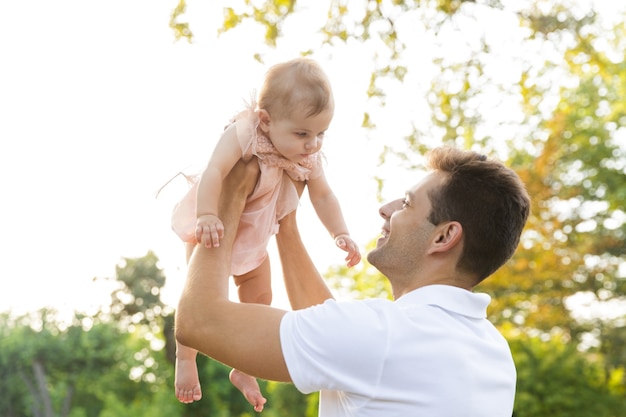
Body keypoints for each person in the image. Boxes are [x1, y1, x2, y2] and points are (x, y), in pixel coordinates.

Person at [175, 146, 531, 416]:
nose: (386, 208)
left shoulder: (386, 335)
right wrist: (285, 222)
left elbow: (198, 322)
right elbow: (334, 329)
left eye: (407, 203)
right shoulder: (495, 355)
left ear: (443, 237)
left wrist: (230, 194)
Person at [170, 57, 361, 410]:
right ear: (266, 120)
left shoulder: (308, 158)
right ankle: (185, 359)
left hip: (256, 242)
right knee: (202, 299)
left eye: (320, 134)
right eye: (302, 133)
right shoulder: (244, 134)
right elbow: (215, 171)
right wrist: (209, 215)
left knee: (259, 299)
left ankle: (243, 369)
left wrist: (340, 232)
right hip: (213, 230)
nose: (312, 145)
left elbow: (323, 195)